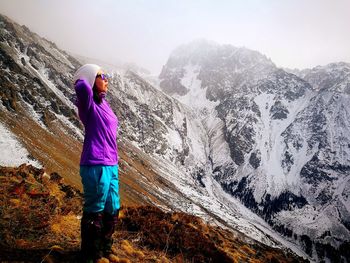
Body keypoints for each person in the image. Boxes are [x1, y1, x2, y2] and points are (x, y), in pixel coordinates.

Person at [73, 64, 120, 263]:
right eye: (103, 76)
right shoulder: (88, 104)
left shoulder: (104, 104)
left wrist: (99, 75)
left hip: (111, 163)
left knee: (113, 206)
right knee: (95, 207)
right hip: (95, 163)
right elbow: (80, 85)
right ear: (93, 79)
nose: (107, 79)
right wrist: (91, 72)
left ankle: (105, 247)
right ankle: (91, 254)